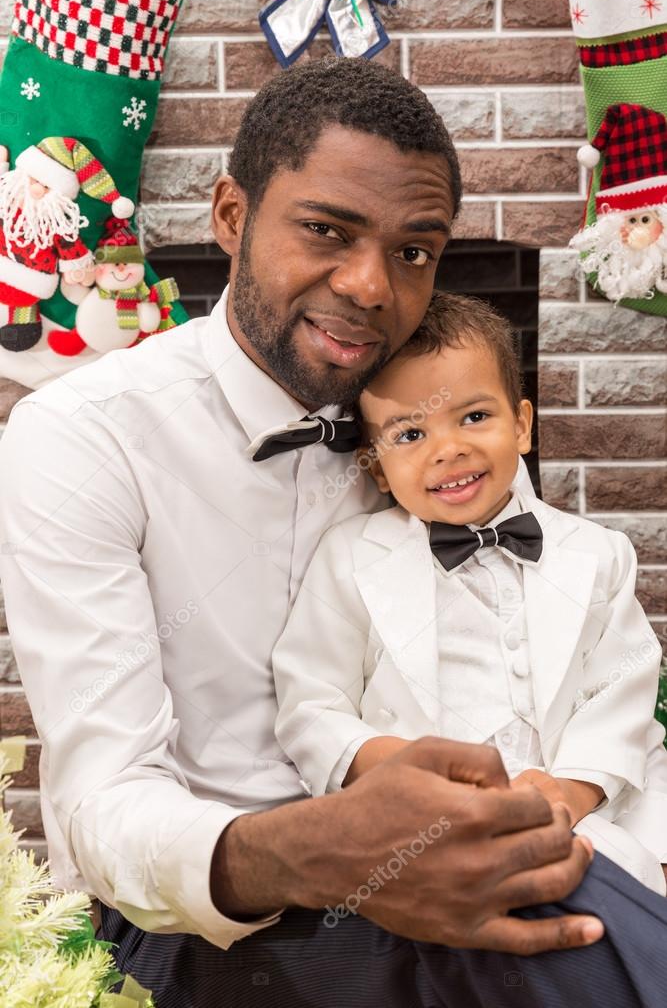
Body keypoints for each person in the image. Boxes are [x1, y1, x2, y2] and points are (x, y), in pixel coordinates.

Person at [0, 58, 665, 1008]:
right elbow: (103, 805)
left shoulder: (427, 421)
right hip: (207, 922)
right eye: (325, 230)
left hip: (448, 870)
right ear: (231, 215)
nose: (367, 286)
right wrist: (320, 852)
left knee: (575, 890)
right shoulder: (83, 438)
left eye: (413, 251)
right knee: (580, 929)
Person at [273, 290, 667, 898]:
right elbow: (311, 704)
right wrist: (402, 769)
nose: (447, 448)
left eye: (474, 417)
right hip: (425, 827)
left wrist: (572, 793)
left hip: (584, 813)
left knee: (617, 907)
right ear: (376, 468)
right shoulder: (349, 558)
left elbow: (621, 690)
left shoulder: (597, 553)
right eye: (408, 434)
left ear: (523, 425)